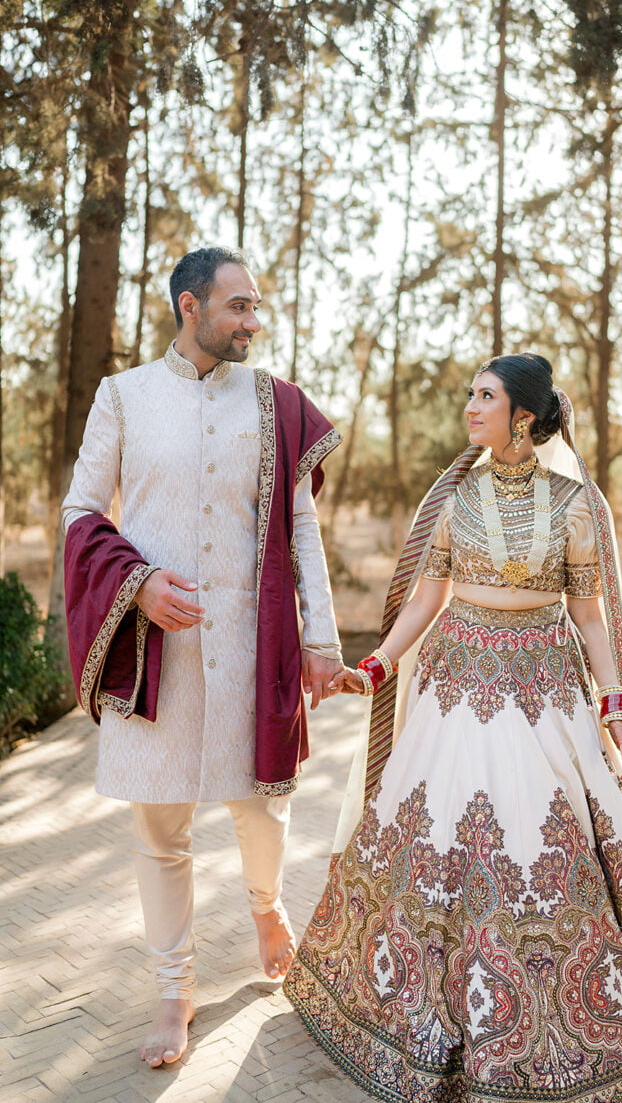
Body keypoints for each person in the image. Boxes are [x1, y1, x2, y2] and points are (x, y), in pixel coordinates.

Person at [284, 353, 622, 1102]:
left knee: (550, 847)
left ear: (525, 419)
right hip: (458, 689)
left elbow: (590, 618)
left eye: (486, 397)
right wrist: (374, 668)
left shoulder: (574, 505)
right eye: (470, 394)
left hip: (545, 695)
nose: (470, 408)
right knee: (437, 840)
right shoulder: (456, 499)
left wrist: (615, 705)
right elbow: (425, 599)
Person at [62, 247, 344, 1069]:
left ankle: (265, 907)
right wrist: (137, 586)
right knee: (162, 831)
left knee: (264, 807)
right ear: (191, 306)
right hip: (157, 654)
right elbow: (83, 510)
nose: (253, 323)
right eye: (239, 308)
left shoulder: (277, 405)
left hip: (254, 647)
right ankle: (174, 990)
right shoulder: (123, 398)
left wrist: (321, 639)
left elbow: (300, 530)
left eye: (256, 308)